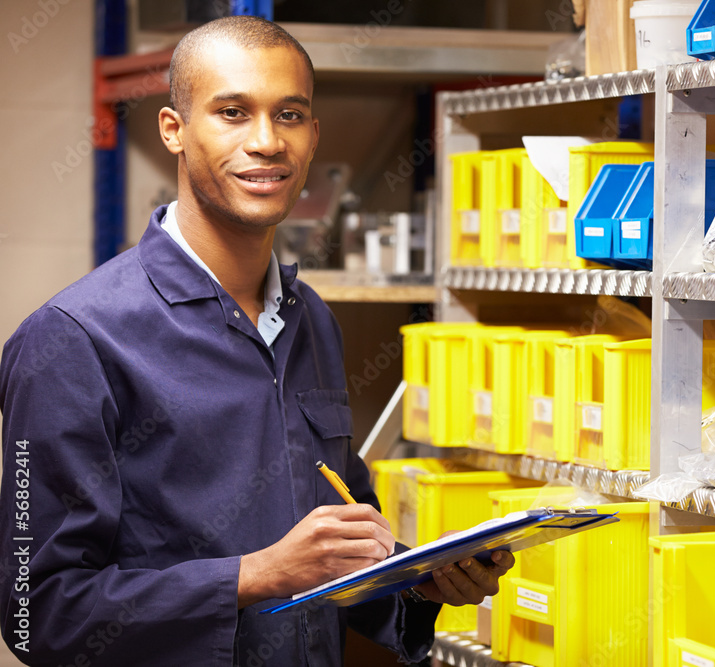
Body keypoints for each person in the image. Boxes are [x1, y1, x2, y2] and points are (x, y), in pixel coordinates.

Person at [0, 16, 512, 666]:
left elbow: (335, 549)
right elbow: (35, 610)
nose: (266, 141)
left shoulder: (312, 320)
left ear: (313, 134)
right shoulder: (73, 340)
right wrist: (253, 575)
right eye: (233, 112)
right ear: (174, 131)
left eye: (290, 114)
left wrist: (421, 582)